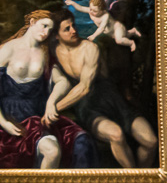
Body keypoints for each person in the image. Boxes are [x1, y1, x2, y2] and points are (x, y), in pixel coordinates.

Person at [49, 17, 159, 168]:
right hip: (89, 107)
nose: (73, 30)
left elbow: (84, 87)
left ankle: (141, 175)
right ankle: (133, 176)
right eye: (67, 29)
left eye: (73, 25)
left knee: (151, 141)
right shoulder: (52, 52)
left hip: (113, 100)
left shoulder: (89, 47)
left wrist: (53, 109)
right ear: (56, 35)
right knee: (116, 134)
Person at [0, 11, 89, 169]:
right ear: (32, 22)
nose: (46, 32)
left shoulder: (44, 53)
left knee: (56, 150)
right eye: (44, 26)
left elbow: (62, 81)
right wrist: (3, 122)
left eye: (50, 29)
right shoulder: (8, 49)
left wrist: (51, 102)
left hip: (34, 116)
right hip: (8, 116)